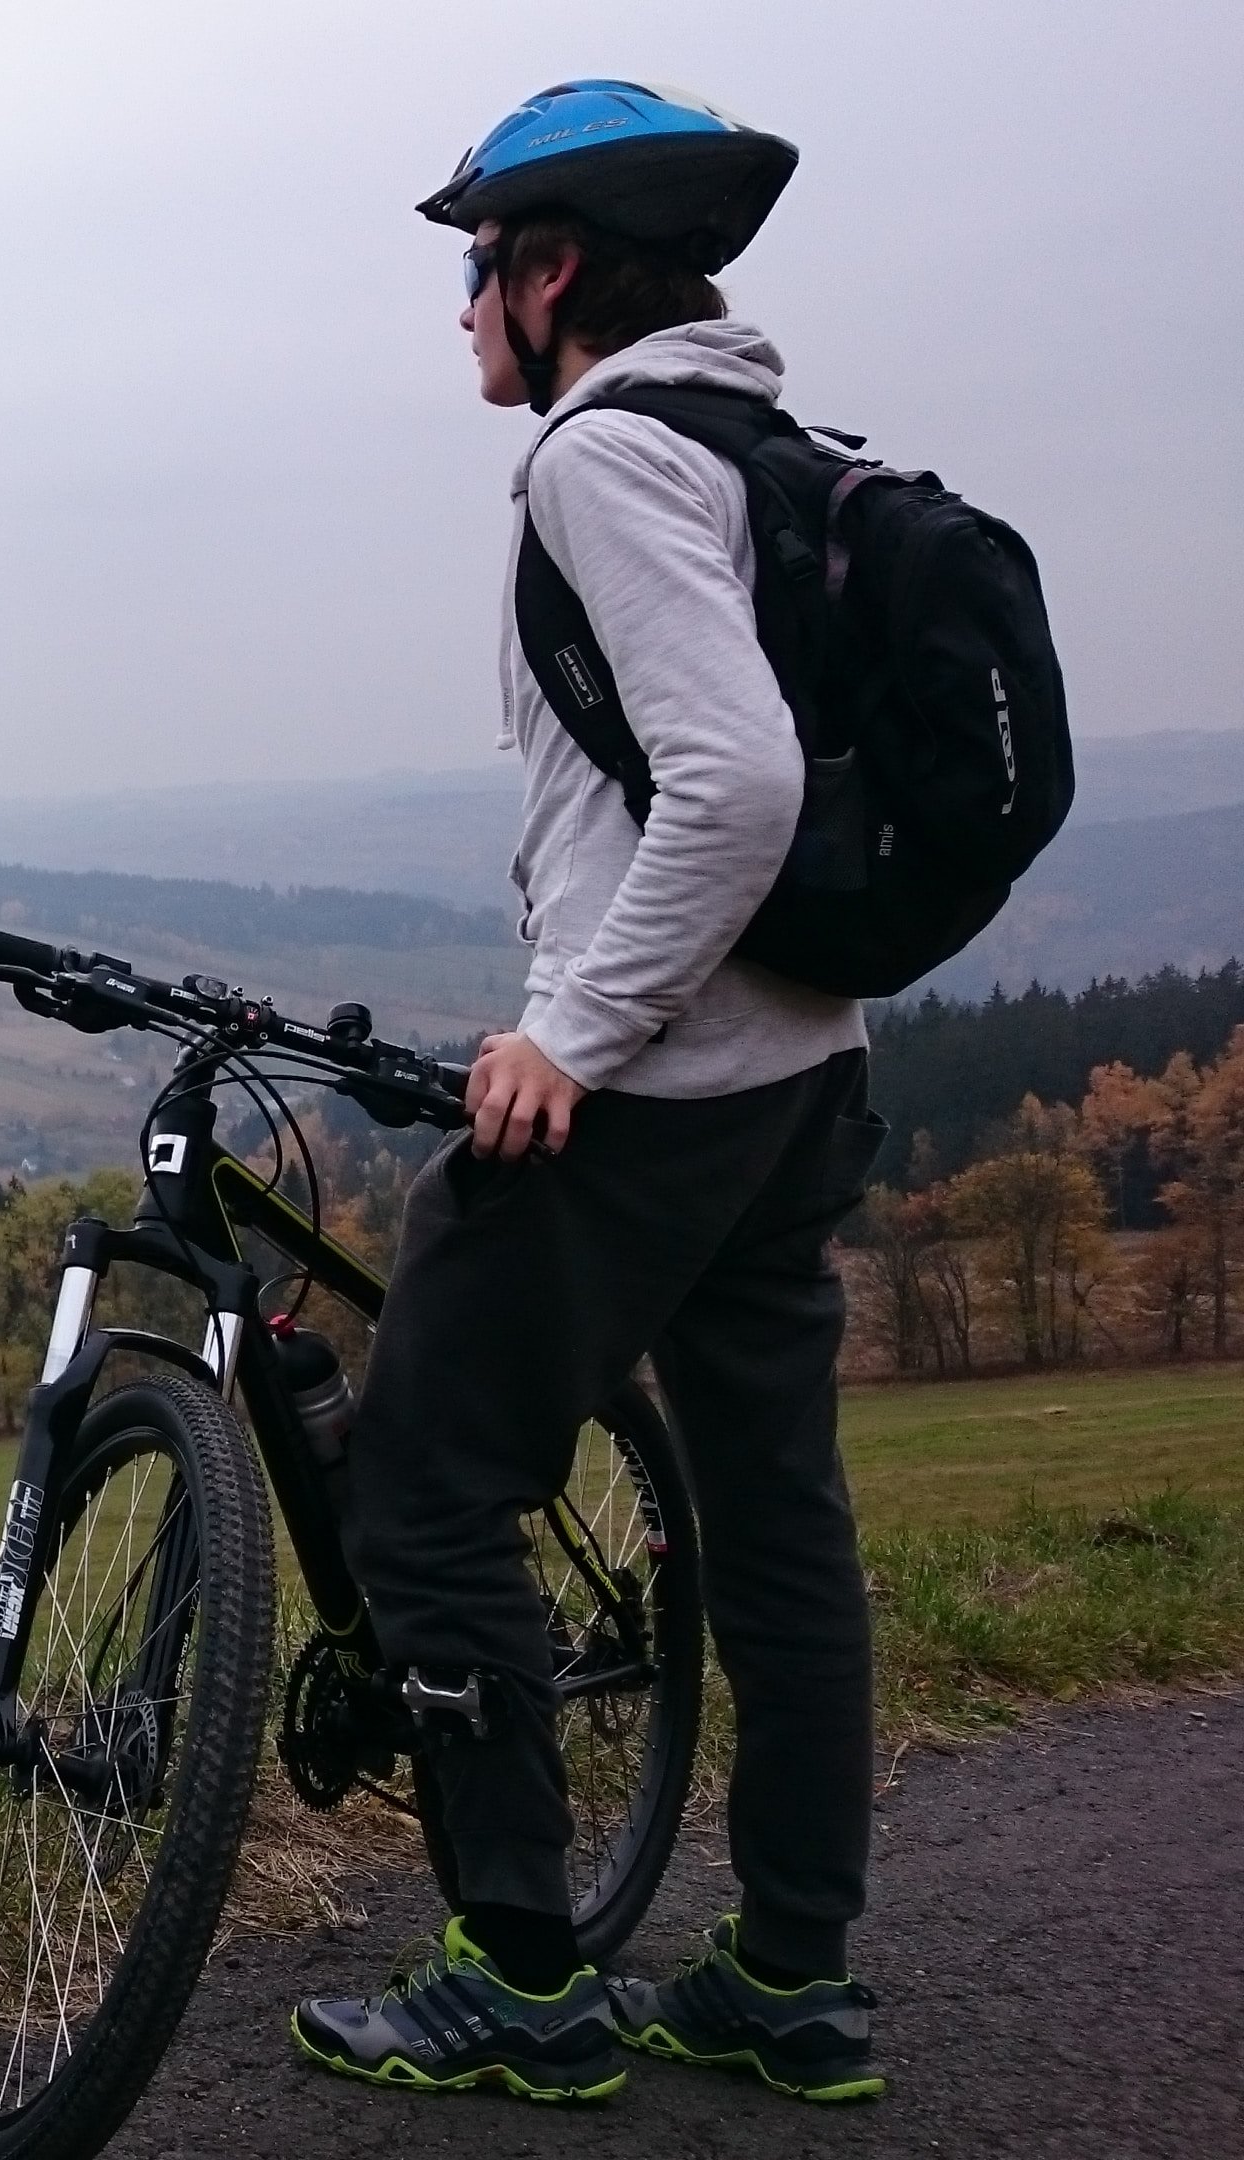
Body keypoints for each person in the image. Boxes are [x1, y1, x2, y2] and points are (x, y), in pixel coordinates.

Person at [284, 81, 891, 2106]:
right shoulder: (770, 444)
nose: (462, 309)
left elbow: (738, 780)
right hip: (803, 1074)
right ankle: (794, 1974)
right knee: (779, 1522)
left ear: (553, 276)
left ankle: (521, 1966)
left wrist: (574, 1033)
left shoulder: (605, 461)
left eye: (478, 268)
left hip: (655, 1091)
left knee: (425, 1481)